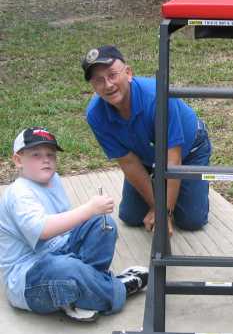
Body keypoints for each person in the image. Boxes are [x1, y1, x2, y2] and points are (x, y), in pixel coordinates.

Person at [0, 127, 149, 322]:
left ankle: (79, 295)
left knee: (103, 224)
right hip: (29, 279)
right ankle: (118, 287)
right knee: (66, 267)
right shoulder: (18, 193)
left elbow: (67, 228)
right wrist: (89, 208)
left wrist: (92, 215)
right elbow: (43, 230)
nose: (46, 160)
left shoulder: (53, 179)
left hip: (60, 253)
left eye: (50, 155)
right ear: (18, 160)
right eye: (36, 155)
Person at [81, 45, 211, 236]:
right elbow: (128, 162)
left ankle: (191, 188)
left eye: (112, 75)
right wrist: (157, 207)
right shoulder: (95, 114)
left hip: (189, 150)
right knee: (131, 217)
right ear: (93, 86)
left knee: (191, 221)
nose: (108, 85)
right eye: (99, 80)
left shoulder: (158, 98)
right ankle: (161, 187)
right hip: (146, 158)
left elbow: (173, 161)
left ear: (128, 73)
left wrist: (165, 212)